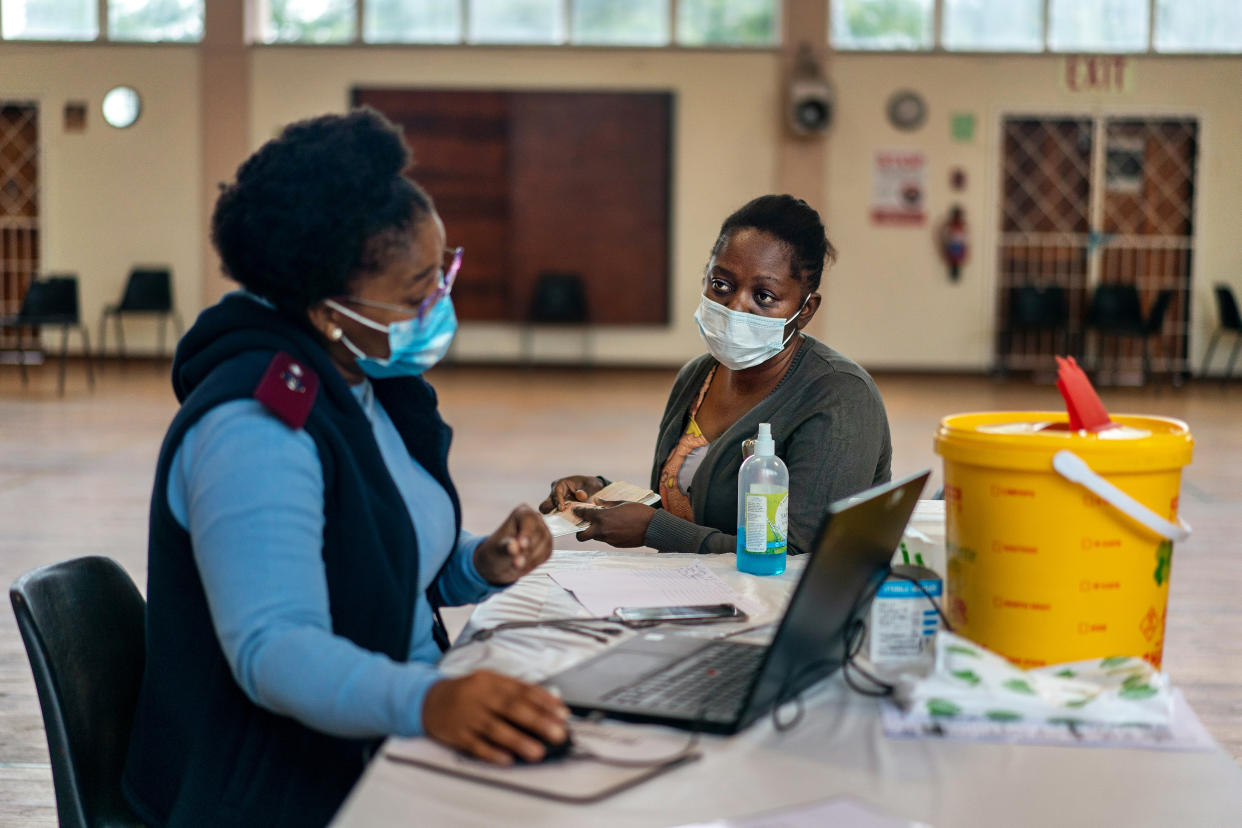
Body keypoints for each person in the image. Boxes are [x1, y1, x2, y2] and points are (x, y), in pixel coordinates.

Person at [123, 109, 568, 828]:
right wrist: (429, 702)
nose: (440, 303)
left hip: (375, 735)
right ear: (329, 312)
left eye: (444, 270)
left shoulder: (367, 382)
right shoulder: (256, 428)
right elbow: (275, 651)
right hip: (277, 787)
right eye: (418, 288)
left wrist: (480, 563)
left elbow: (381, 564)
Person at [540, 194, 892, 556]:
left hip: (782, 607)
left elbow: (798, 556)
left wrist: (652, 529)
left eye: (764, 296)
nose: (736, 306)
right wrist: (603, 493)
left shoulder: (840, 397)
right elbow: (691, 513)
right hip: (695, 592)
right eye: (722, 284)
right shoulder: (698, 377)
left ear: (805, 310)